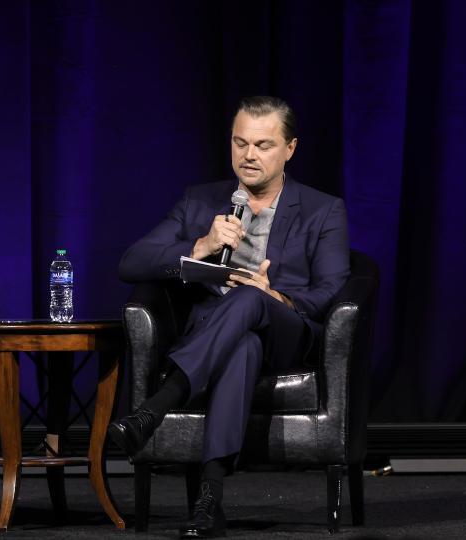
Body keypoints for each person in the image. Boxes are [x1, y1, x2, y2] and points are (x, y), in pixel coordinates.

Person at [108, 96, 350, 538]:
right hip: (220, 333)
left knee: (252, 300)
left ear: (290, 149)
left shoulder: (322, 209)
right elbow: (131, 262)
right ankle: (209, 503)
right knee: (242, 344)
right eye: (240, 144)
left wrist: (274, 294)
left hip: (286, 330)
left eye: (263, 145)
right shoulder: (200, 202)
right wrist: (198, 245)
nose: (249, 156)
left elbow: (331, 291)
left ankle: (155, 408)